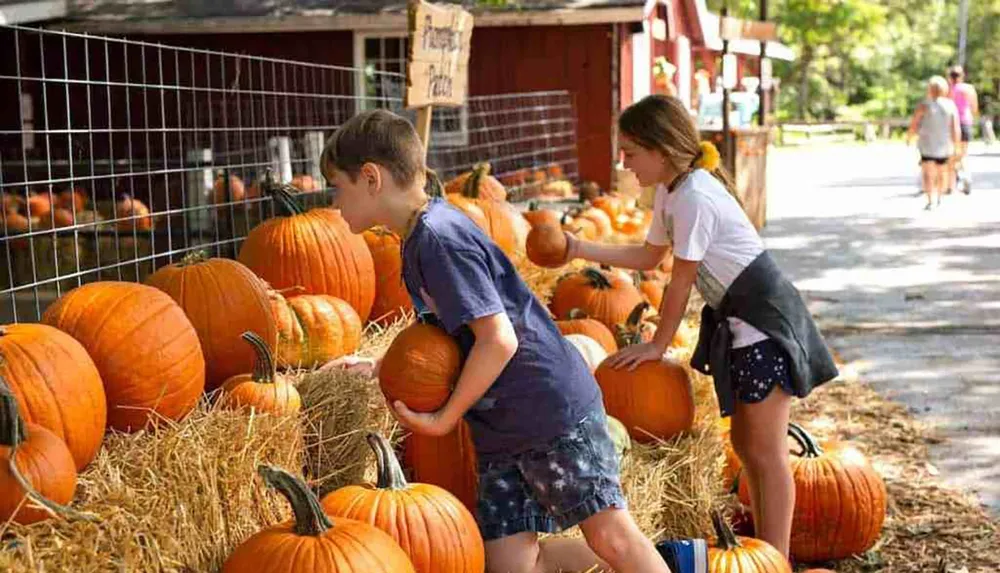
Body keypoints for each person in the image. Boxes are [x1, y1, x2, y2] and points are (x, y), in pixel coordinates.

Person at [318, 109, 679, 573]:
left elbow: (498, 339)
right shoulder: (417, 237)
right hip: (505, 429)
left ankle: (653, 565)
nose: (335, 202)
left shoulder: (438, 239)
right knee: (512, 564)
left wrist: (444, 418)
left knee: (611, 535)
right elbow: (448, 332)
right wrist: (383, 363)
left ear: (370, 178)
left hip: (549, 412)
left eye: (338, 187)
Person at [562, 94, 838, 558]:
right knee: (748, 447)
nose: (624, 162)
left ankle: (776, 560)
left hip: (765, 325)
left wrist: (658, 345)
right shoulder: (672, 192)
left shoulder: (694, 196)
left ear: (661, 148)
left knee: (767, 453)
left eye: (630, 152)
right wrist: (578, 248)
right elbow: (650, 257)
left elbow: (679, 282)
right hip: (740, 324)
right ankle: (768, 554)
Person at [907, 76, 961, 210]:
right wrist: (957, 145)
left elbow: (914, 123)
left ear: (929, 89)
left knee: (928, 173)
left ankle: (931, 199)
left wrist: (910, 136)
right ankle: (939, 197)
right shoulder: (950, 105)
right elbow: (955, 128)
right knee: (941, 172)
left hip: (927, 145)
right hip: (944, 145)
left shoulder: (924, 105)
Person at [947, 65, 978, 194]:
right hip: (965, 123)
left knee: (952, 154)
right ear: (962, 76)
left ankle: (953, 182)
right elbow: (974, 108)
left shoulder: (947, 89)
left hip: (951, 124)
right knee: (963, 153)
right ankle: (966, 176)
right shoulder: (969, 89)